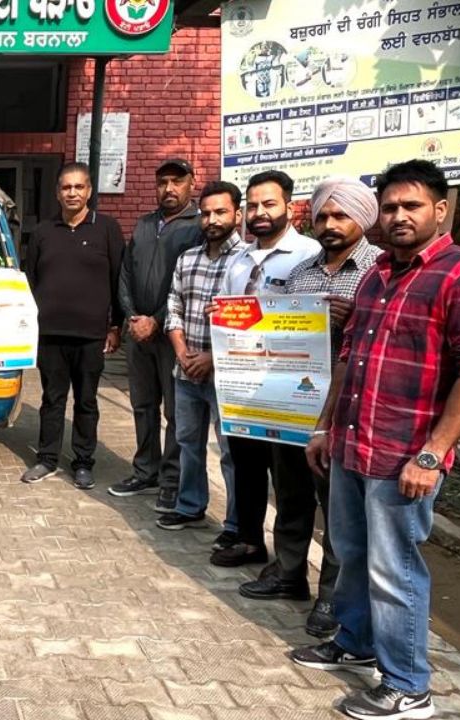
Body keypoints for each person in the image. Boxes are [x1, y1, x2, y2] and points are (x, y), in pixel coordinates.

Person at [293, 160, 460, 720]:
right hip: (353, 443)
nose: (398, 216)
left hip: (406, 456)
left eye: (411, 206)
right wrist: (326, 426)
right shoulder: (377, 274)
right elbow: (349, 356)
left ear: (441, 209)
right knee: (351, 553)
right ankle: (355, 641)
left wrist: (432, 454)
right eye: (389, 207)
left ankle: (408, 685)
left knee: (395, 570)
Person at [247, 177, 381, 639]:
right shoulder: (302, 271)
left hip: (345, 404)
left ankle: (333, 595)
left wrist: (355, 318)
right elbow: (280, 328)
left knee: (338, 506)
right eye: (323, 216)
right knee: (290, 491)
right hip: (295, 399)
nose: (330, 224)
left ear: (362, 218)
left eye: (340, 215)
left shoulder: (378, 271)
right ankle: (289, 571)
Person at [209, 170, 320, 569]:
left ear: (290, 207)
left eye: (269, 204)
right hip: (244, 383)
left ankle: (290, 564)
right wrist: (220, 316)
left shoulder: (309, 254)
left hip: (290, 384)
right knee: (247, 467)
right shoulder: (240, 260)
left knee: (290, 478)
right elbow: (228, 308)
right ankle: (249, 540)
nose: (259, 213)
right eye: (253, 205)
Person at [20, 162, 124, 489]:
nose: (73, 193)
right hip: (51, 334)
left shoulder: (107, 229)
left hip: (91, 335)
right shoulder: (43, 232)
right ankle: (47, 459)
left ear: (89, 191)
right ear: (57, 193)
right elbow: (30, 280)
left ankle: (83, 462)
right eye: (66, 187)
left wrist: (116, 326)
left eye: (79, 187)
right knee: (52, 399)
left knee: (86, 401)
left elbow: (118, 280)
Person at [155, 181, 243, 545]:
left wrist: (213, 358)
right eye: (206, 213)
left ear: (237, 214)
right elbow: (173, 306)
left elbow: (253, 320)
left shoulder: (248, 261)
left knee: (231, 453)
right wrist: (181, 352)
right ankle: (190, 506)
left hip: (228, 376)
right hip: (186, 370)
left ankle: (236, 524)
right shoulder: (187, 258)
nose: (212, 220)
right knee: (187, 442)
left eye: (220, 212)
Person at [114, 158, 202, 511]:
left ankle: (171, 480)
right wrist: (133, 317)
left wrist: (157, 320)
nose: (169, 188)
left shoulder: (198, 227)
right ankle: (145, 470)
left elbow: (188, 286)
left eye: (177, 181)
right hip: (139, 335)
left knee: (175, 412)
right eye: (163, 182)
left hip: (174, 335)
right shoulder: (144, 224)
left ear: (191, 184)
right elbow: (125, 275)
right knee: (142, 405)